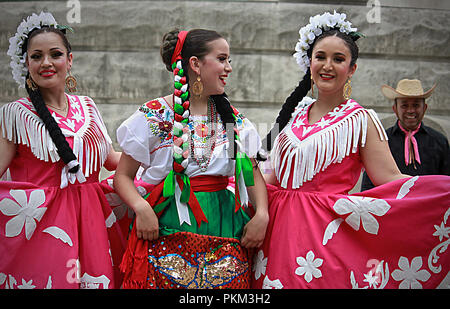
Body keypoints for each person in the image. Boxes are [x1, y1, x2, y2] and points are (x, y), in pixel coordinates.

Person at [252, 11, 450, 289]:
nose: (327, 65)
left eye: (338, 59)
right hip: (275, 239)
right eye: (320, 56)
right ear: (309, 62)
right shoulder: (292, 114)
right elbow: (270, 174)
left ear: (352, 68)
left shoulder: (361, 120)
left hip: (322, 244)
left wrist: (440, 193)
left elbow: (391, 180)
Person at [114, 29, 269, 289]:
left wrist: (262, 214)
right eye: (222, 59)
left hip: (224, 221)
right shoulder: (154, 116)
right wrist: (141, 208)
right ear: (195, 64)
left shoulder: (232, 119)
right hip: (166, 220)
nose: (228, 68)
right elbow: (123, 177)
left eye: (229, 60)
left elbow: (251, 173)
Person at [0, 12, 125, 289]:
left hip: (92, 223)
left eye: (55, 54)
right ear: (26, 63)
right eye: (36, 56)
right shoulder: (15, 115)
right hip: (42, 229)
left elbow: (112, 160)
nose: (46, 63)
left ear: (69, 60)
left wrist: (159, 150)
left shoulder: (88, 106)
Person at [361, 79, 450, 191]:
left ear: (424, 108)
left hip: (430, 206)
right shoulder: (382, 141)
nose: (410, 110)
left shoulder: (439, 141)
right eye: (404, 106)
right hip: (391, 206)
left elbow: (447, 184)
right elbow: (368, 187)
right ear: (395, 109)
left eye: (416, 105)